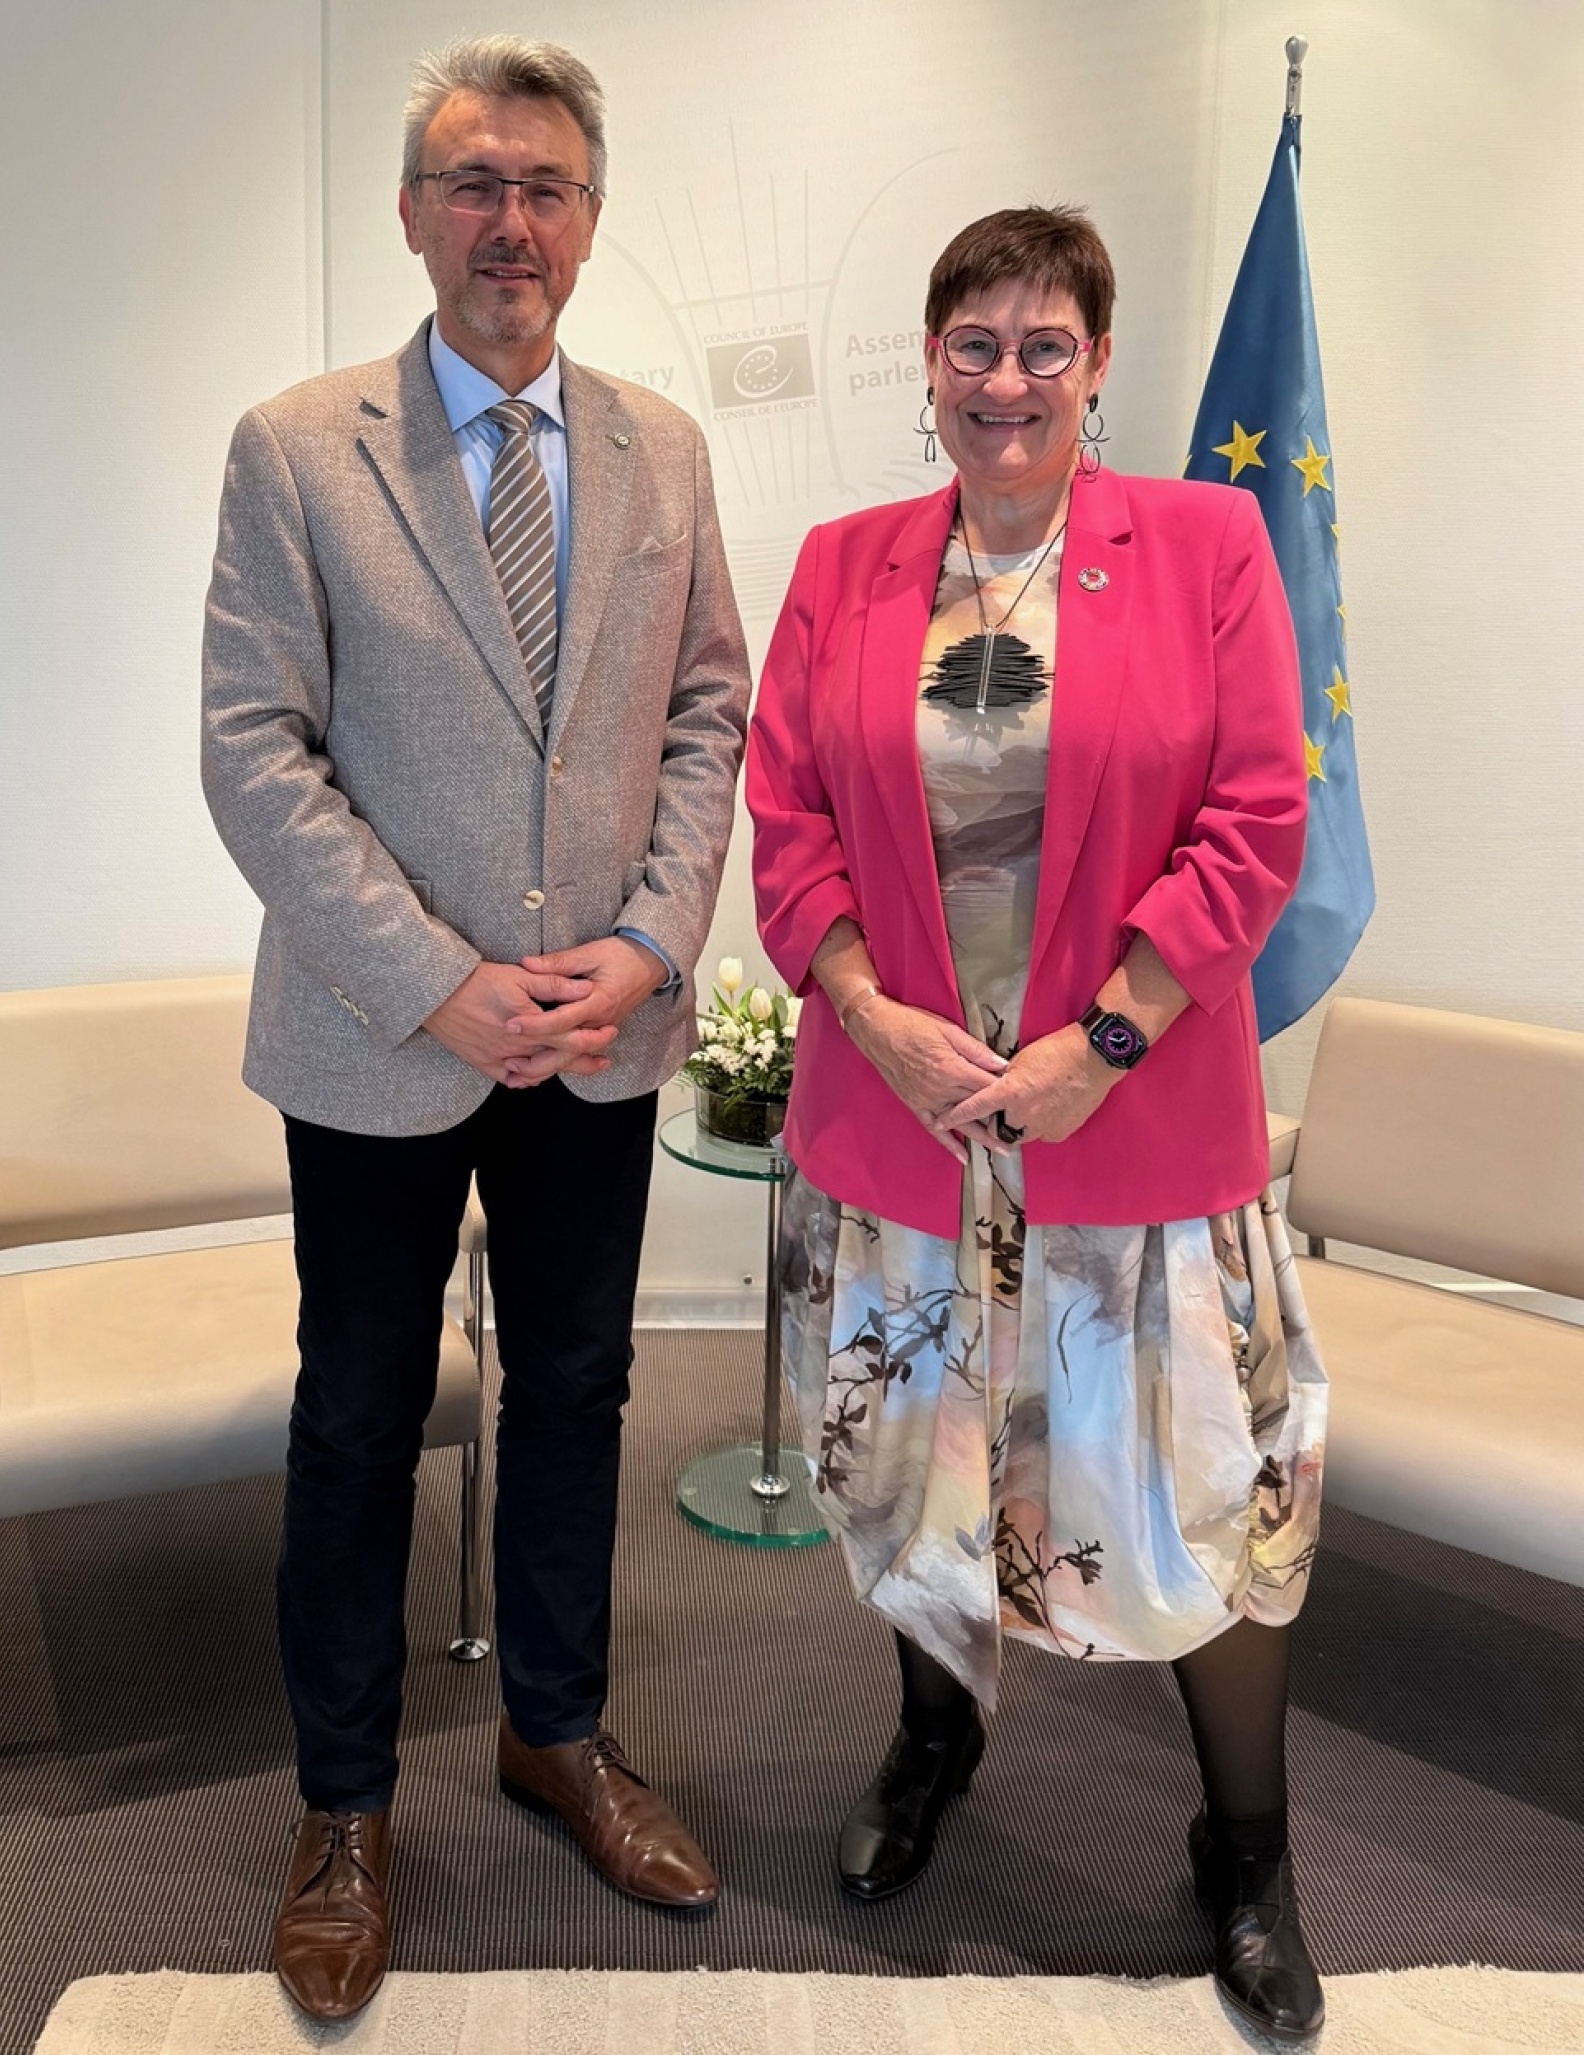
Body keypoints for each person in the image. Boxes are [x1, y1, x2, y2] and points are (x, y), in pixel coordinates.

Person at [202, 35, 749, 2023]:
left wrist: (651, 941)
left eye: (545, 188)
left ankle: (557, 1730)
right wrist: (438, 976)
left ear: (589, 221)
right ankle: (344, 1806)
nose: (511, 221)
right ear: (416, 215)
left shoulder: (663, 450)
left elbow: (708, 708)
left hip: (594, 1032)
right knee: (358, 1415)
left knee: (580, 1387)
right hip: (380, 1032)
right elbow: (253, 750)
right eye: (474, 185)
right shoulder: (297, 447)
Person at [748, 205, 1327, 2043]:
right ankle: (936, 1744)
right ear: (930, 367)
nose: (1008, 379)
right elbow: (787, 824)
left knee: (1197, 1500)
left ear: (1097, 364)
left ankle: (1250, 1847)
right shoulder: (843, 566)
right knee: (921, 1481)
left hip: (1127, 1132)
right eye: (974, 345)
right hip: (910, 1134)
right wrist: (867, 1015)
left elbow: (1258, 820)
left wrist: (1107, 1041)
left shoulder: (1209, 548)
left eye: (1045, 344)